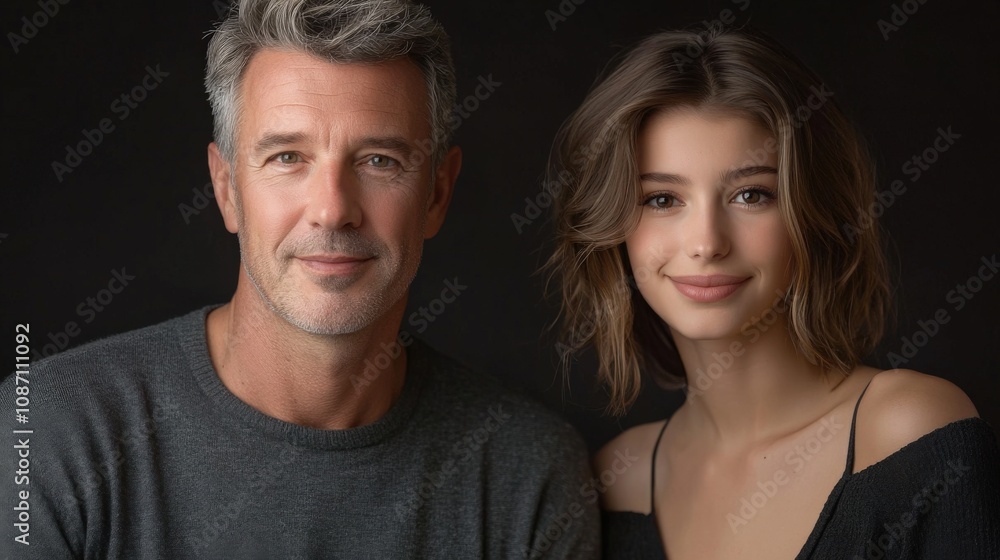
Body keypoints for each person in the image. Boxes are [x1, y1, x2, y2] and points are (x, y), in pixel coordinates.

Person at [1, 1, 599, 558]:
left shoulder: (528, 478)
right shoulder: (47, 434)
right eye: (287, 157)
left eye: (379, 161)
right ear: (228, 187)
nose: (332, 209)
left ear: (437, 193)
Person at [546, 27, 1000, 559]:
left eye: (751, 194)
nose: (707, 243)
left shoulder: (909, 429)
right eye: (662, 199)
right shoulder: (617, 482)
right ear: (612, 226)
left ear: (811, 214)